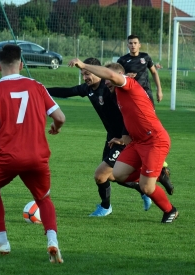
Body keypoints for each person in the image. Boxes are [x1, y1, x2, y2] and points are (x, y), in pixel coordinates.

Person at [0, 44, 66, 263]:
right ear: (21, 64)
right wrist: (56, 128)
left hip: (7, 156)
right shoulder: (37, 85)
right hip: (37, 156)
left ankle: (2, 240)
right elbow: (60, 117)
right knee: (44, 198)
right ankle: (52, 241)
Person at [68, 58, 179, 223]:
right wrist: (121, 139)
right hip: (138, 141)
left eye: (108, 79)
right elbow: (130, 120)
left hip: (155, 140)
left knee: (146, 187)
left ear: (119, 76)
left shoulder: (128, 84)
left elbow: (111, 74)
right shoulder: (119, 95)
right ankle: (156, 175)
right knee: (118, 174)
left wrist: (83, 65)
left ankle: (170, 210)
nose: (106, 83)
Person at [117, 34, 173, 192]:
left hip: (145, 99)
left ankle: (160, 167)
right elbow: (117, 77)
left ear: (140, 45)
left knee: (150, 132)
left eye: (135, 43)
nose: (133, 45)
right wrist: (125, 77)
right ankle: (153, 168)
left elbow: (154, 73)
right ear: (127, 45)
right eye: (130, 43)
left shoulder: (145, 58)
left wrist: (159, 91)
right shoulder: (122, 60)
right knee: (129, 137)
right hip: (130, 101)